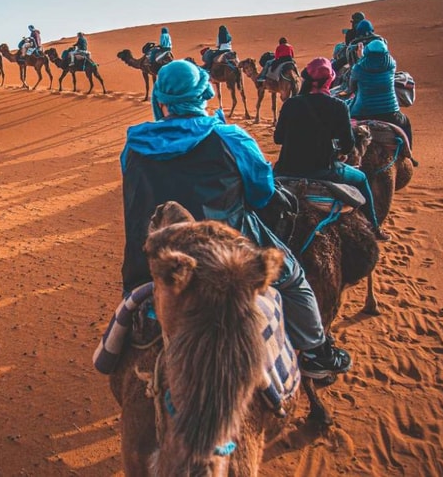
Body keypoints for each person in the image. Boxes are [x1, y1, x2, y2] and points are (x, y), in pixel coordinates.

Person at [119, 60, 353, 379]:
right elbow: (262, 194)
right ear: (205, 94)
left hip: (151, 258)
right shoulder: (231, 138)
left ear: (159, 100)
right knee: (294, 278)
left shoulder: (133, 146)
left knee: (136, 298)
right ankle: (316, 353)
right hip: (227, 256)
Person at [274, 58, 390, 240]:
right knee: (361, 179)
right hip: (324, 172)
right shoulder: (339, 107)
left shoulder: (290, 104)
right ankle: (374, 228)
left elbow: (278, 138)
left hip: (286, 169)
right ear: (329, 81)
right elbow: (348, 146)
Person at [348, 39, 414, 149]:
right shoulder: (391, 65)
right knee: (405, 122)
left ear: (367, 51)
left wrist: (360, 57)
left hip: (362, 111)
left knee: (346, 124)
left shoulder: (358, 68)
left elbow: (352, 87)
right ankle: (408, 154)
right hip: (390, 112)